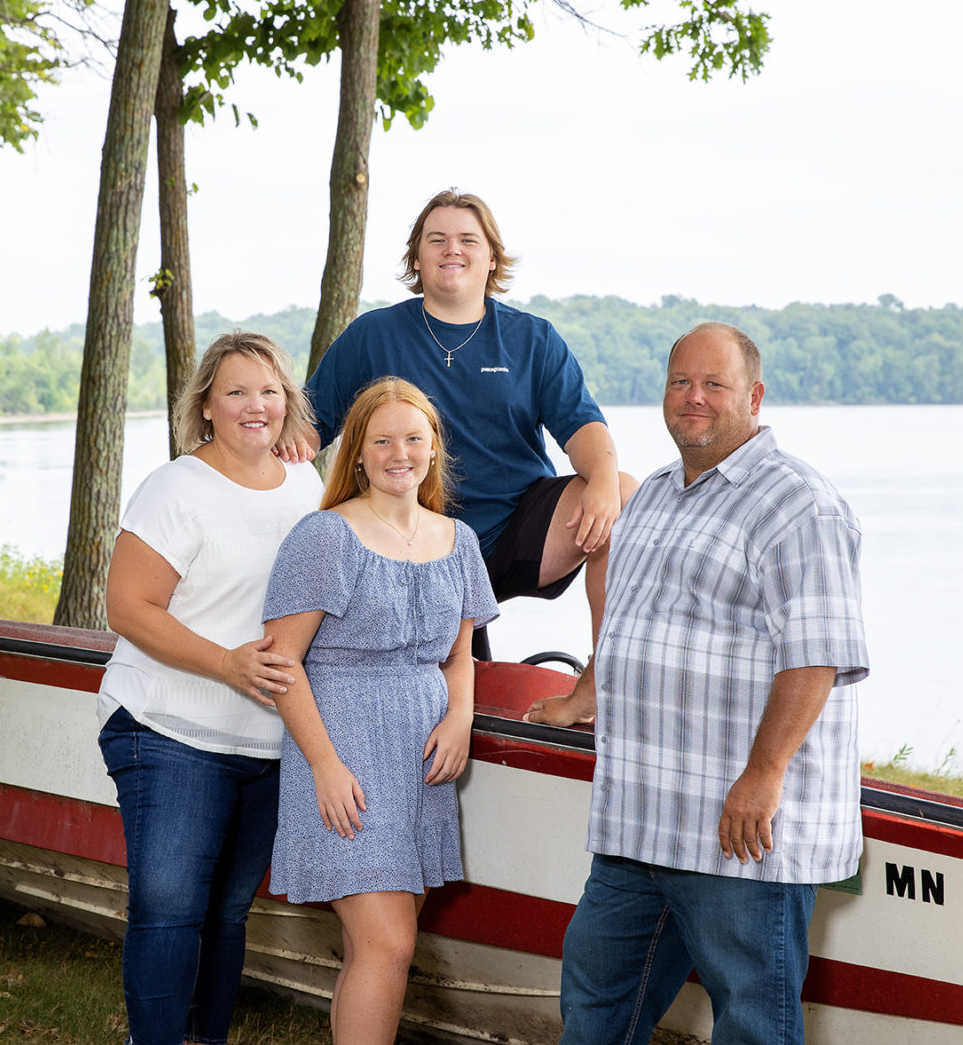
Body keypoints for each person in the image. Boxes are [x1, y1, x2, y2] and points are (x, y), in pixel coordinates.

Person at [526, 322, 870, 1044]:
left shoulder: (798, 503)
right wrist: (584, 695)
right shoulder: (653, 494)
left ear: (754, 396)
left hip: (737, 831)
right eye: (680, 381)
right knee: (594, 1004)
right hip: (641, 816)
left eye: (715, 384)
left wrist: (763, 773)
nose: (694, 397)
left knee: (752, 1021)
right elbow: (630, 621)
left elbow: (817, 655)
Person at [278, 189, 636, 685]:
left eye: (468, 239)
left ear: (492, 259)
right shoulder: (373, 335)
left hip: (516, 530)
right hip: (409, 537)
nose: (453, 249)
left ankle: (602, 681)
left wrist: (603, 478)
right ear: (416, 258)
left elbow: (584, 428)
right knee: (452, 686)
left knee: (624, 492)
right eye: (437, 239)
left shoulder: (533, 339)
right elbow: (305, 432)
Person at [95, 331, 324, 1045]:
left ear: (287, 402)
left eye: (269, 391)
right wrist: (226, 664)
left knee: (226, 912)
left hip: (267, 738)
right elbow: (127, 607)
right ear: (205, 405)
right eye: (236, 392)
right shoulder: (176, 488)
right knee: (169, 909)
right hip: (168, 725)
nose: (255, 405)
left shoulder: (307, 486)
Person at [262, 378, 498, 1044]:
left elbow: (460, 656)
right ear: (358, 453)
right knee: (388, 943)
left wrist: (460, 719)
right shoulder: (325, 536)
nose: (400, 453)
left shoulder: (459, 539)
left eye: (414, 438)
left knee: (376, 948)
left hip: (421, 763)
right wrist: (324, 766)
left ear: (434, 447)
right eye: (383, 440)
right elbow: (281, 665)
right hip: (346, 758)